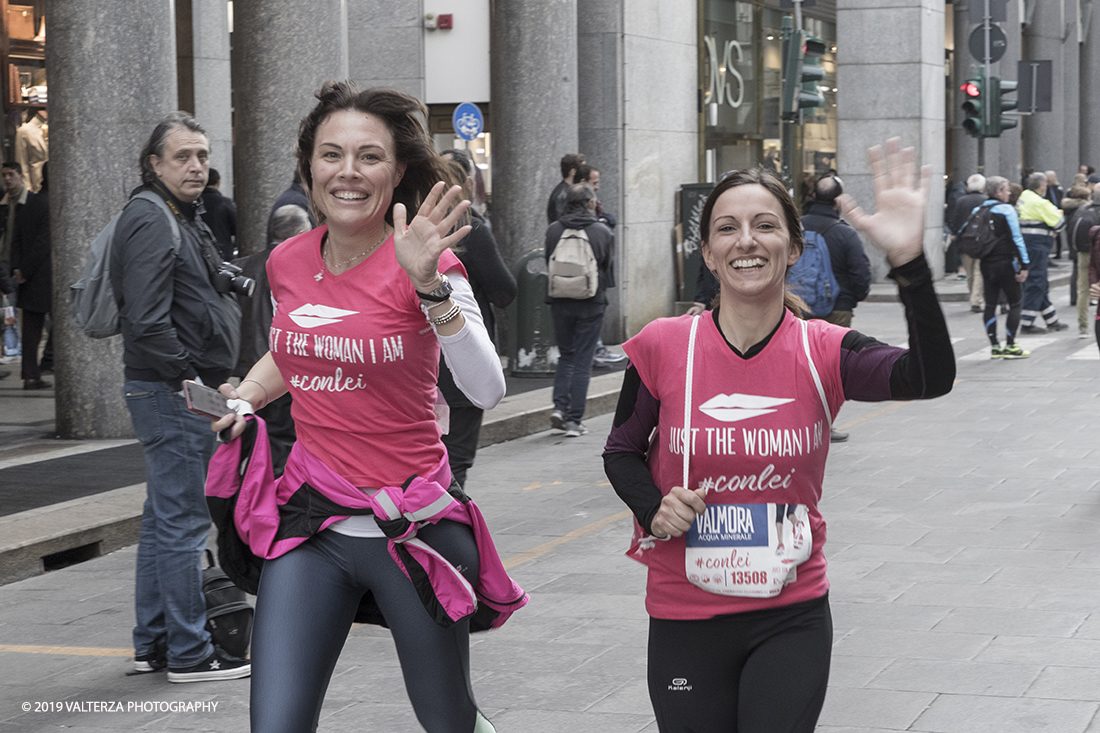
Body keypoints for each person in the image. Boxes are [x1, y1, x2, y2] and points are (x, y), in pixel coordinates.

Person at [602, 139, 954, 733]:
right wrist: (653, 507)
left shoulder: (825, 350)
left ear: (793, 248)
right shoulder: (665, 344)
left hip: (790, 618)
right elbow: (620, 452)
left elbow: (930, 377)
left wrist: (911, 264)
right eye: (727, 229)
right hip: (685, 615)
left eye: (765, 226)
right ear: (709, 254)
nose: (746, 240)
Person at [209, 82, 524, 733]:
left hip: (410, 528)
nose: (348, 172)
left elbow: (487, 387)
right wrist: (245, 396)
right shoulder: (287, 262)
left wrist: (430, 285)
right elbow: (295, 352)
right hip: (312, 525)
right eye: (331, 155)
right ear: (309, 167)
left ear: (398, 170)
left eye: (368, 156)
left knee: (448, 720)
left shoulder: (427, 262)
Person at [113, 113, 247, 683]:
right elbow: (145, 321)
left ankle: (155, 642)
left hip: (173, 386)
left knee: (164, 519)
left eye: (202, 155)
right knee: (185, 522)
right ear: (154, 163)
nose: (197, 166)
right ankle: (192, 653)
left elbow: (198, 287)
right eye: (183, 157)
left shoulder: (180, 214)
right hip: (171, 390)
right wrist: (192, 381)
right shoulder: (150, 217)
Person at [437, 155, 517, 488]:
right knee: (454, 462)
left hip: (418, 369)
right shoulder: (469, 227)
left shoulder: (408, 228)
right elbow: (505, 289)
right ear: (466, 184)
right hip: (460, 360)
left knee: (426, 458)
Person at [230, 204, 311, 476]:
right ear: (301, 232)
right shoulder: (299, 266)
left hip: (248, 366)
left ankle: (259, 488)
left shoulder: (243, 266)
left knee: (257, 436)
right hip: (282, 366)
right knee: (282, 438)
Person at [801, 174, 871, 443]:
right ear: (838, 200)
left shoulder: (795, 227)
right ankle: (824, 426)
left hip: (797, 308)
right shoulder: (844, 232)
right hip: (836, 309)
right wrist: (853, 298)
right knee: (830, 368)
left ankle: (796, 422)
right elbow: (861, 272)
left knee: (800, 366)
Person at [546, 182, 616, 437]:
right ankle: (574, 421)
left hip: (560, 301)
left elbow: (548, 261)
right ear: (590, 203)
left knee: (567, 356)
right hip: (591, 302)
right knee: (583, 361)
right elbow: (607, 267)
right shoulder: (603, 231)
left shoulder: (554, 230)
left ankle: (559, 408)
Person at [574, 162, 626, 368]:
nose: (598, 186)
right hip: (587, 276)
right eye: (595, 183)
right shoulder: (594, 225)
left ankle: (595, 348)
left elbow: (609, 220)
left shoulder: (557, 228)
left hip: (582, 277)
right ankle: (594, 350)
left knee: (570, 358)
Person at [973, 176, 1031, 358]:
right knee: (1015, 302)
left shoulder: (979, 209)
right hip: (1006, 262)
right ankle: (1011, 345)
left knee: (990, 304)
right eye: (1006, 190)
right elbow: (1017, 238)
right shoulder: (1006, 210)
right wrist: (1025, 264)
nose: (1008, 193)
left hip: (986, 263)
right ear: (998, 191)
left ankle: (995, 346)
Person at [10, 162, 50, 389]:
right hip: (41, 277)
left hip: (28, 276)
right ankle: (42, 367)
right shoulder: (48, 204)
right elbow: (43, 243)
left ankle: (30, 373)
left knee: (31, 330)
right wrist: (25, 270)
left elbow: (16, 236)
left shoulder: (31, 201)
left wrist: (17, 268)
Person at [1017, 172, 1068, 333]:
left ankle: (1051, 320)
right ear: (1041, 186)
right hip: (1038, 246)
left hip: (1026, 245)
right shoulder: (1040, 202)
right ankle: (1027, 323)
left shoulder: (1024, 196)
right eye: (1045, 185)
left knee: (1040, 284)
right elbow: (1059, 222)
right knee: (1036, 283)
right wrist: (1054, 229)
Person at [949, 174, 989, 312]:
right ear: (983, 187)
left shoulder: (961, 201)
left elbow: (953, 220)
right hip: (982, 241)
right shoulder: (986, 201)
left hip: (965, 241)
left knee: (970, 273)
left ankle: (974, 297)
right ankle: (976, 300)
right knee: (979, 272)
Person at [0, 161, 26, 362]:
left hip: (24, 264)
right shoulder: (3, 204)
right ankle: (12, 346)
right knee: (9, 306)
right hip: (6, 262)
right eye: (4, 175)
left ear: (20, 176)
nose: (7, 179)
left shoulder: (29, 202)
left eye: (11, 174)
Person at [1065, 185, 1099, 337]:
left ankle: (1083, 326)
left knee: (1084, 290)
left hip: (1084, 253)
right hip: (1096, 252)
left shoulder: (1082, 210)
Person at [200, 167, 238, 261]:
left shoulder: (194, 202)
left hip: (201, 254)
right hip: (224, 252)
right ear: (218, 182)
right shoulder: (226, 202)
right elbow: (237, 228)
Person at [14, 109, 47, 193]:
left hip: (55, 183)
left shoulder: (56, 129)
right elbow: (21, 161)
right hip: (36, 185)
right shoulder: (24, 131)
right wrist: (27, 188)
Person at [547, 152, 585, 224]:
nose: (584, 172)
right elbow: (561, 224)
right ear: (573, 172)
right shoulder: (562, 195)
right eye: (582, 169)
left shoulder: (566, 192)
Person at [1043, 170, 1065, 261]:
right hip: (1048, 213)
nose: (1055, 179)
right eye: (1053, 177)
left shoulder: (1057, 188)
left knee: (1058, 232)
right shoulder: (1045, 188)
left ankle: (1058, 252)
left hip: (1057, 212)